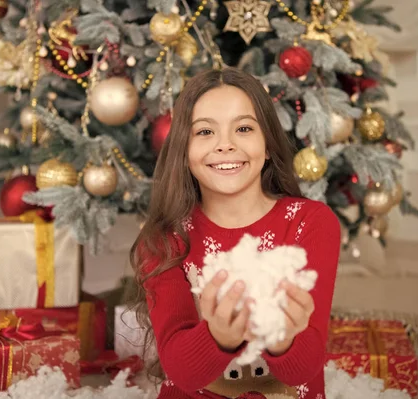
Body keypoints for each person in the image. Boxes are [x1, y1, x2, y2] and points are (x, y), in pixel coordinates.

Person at [130, 67, 340, 399]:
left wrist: (282, 336)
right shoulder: (163, 240)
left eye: (243, 128)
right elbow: (181, 372)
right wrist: (219, 337)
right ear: (183, 152)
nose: (225, 145)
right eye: (204, 132)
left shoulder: (311, 223)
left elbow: (304, 369)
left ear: (268, 145)